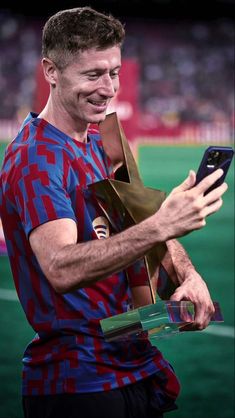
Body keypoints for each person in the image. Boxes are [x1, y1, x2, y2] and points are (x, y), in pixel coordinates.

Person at [0, 7, 228, 418]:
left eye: (115, 72)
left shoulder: (99, 140)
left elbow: (143, 223)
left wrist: (189, 278)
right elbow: (61, 268)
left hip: (128, 349)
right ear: (50, 71)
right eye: (93, 75)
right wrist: (163, 223)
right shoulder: (37, 158)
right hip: (78, 384)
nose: (109, 89)